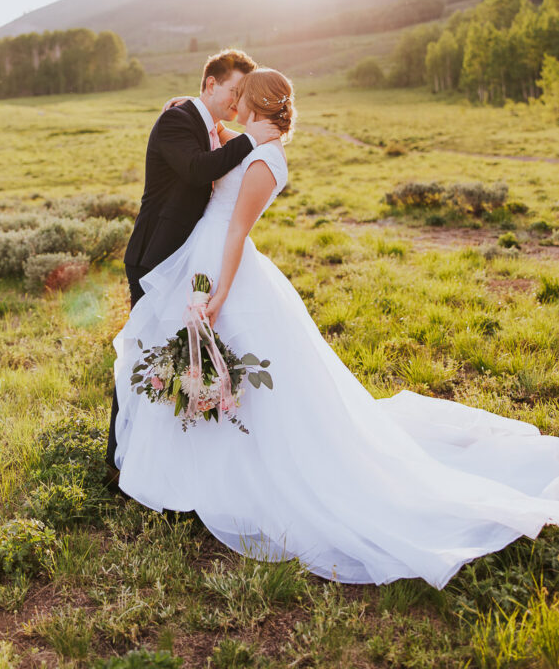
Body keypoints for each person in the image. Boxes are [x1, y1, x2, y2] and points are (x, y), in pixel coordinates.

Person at [111, 67, 559, 589]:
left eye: (240, 99)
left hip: (222, 263)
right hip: (200, 254)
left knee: (230, 362)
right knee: (194, 355)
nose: (232, 108)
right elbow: (222, 143)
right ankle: (189, 466)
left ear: (255, 105)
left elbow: (236, 229)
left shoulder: (264, 160)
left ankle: (232, 473)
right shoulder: (253, 142)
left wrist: (221, 292)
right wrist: (200, 114)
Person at [105, 49, 281, 475]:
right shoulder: (177, 120)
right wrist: (253, 137)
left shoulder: (206, 123)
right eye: (233, 91)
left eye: (245, 95)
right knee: (143, 353)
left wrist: (231, 128)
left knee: (175, 358)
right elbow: (199, 170)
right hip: (154, 258)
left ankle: (175, 460)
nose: (238, 102)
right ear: (210, 84)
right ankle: (118, 459)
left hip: (188, 262)